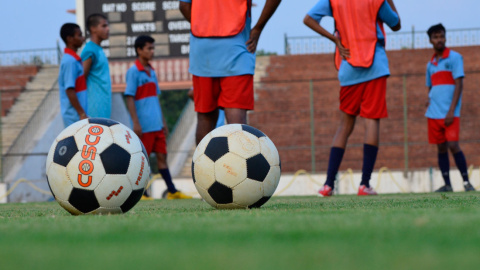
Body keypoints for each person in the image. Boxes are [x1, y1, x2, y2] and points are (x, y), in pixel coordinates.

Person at [304, 0, 401, 196]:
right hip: (375, 63)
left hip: (348, 65)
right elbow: (396, 24)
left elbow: (308, 19)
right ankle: (364, 184)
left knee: (345, 125)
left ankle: (328, 185)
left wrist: (335, 40)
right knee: (371, 121)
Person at [179, 0, 281, 144]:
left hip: (202, 49)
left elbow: (184, 5)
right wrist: (258, 28)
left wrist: (205, 24)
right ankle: (238, 165)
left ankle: (202, 166)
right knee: (235, 115)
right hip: (236, 47)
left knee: (205, 116)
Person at [125, 35, 192, 200]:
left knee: (162, 157)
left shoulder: (152, 71)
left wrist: (163, 122)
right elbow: (129, 97)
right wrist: (135, 122)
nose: (152, 51)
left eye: (153, 48)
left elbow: (155, 98)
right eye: (149, 48)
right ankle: (142, 193)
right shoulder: (133, 71)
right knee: (143, 160)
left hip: (156, 124)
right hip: (144, 125)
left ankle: (172, 191)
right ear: (139, 50)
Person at [424, 24, 475, 192]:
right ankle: (447, 184)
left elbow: (459, 84)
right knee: (441, 147)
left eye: (442, 36)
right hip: (434, 113)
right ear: (431, 40)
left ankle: (467, 182)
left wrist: (452, 110)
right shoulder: (430, 64)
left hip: (450, 113)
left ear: (445, 38)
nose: (439, 40)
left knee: (453, 145)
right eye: (436, 37)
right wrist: (429, 100)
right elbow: (431, 87)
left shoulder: (455, 58)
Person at [81, 13, 112, 118]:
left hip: (104, 107)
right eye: (104, 26)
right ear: (93, 28)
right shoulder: (89, 50)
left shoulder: (98, 49)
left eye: (107, 26)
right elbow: (81, 80)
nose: (108, 29)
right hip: (94, 109)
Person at [58, 23, 88, 127]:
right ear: (70, 39)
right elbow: (69, 90)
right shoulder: (69, 61)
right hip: (73, 116)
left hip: (76, 115)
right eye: (79, 35)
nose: (82, 38)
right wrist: (82, 113)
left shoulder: (74, 59)